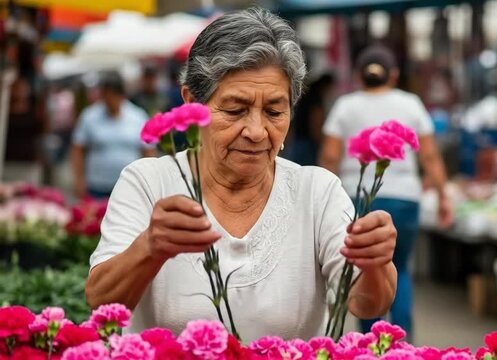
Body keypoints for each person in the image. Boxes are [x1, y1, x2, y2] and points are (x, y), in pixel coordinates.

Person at [85, 8, 397, 342]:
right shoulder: (148, 183)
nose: (256, 131)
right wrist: (150, 247)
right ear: (192, 103)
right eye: (235, 110)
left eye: (275, 111)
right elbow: (101, 301)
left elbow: (367, 304)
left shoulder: (317, 192)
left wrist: (375, 262)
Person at [319, 45, 453, 340]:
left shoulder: (345, 106)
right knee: (400, 269)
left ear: (358, 76)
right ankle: (404, 347)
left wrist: (322, 198)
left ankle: (370, 346)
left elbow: (329, 157)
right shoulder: (411, 104)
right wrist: (444, 196)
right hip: (405, 199)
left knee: (365, 271)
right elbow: (429, 156)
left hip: (358, 197)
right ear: (393, 75)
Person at [71, 72, 155, 199]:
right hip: (97, 187)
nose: (108, 100)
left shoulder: (138, 116)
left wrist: (150, 182)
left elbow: (148, 151)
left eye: (111, 95)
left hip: (130, 187)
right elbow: (78, 149)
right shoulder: (89, 116)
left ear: (121, 95)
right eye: (105, 95)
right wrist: (79, 180)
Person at [285, 72, 335, 165]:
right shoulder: (316, 100)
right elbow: (316, 126)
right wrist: (323, 143)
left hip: (296, 142)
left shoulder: (305, 97)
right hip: (307, 145)